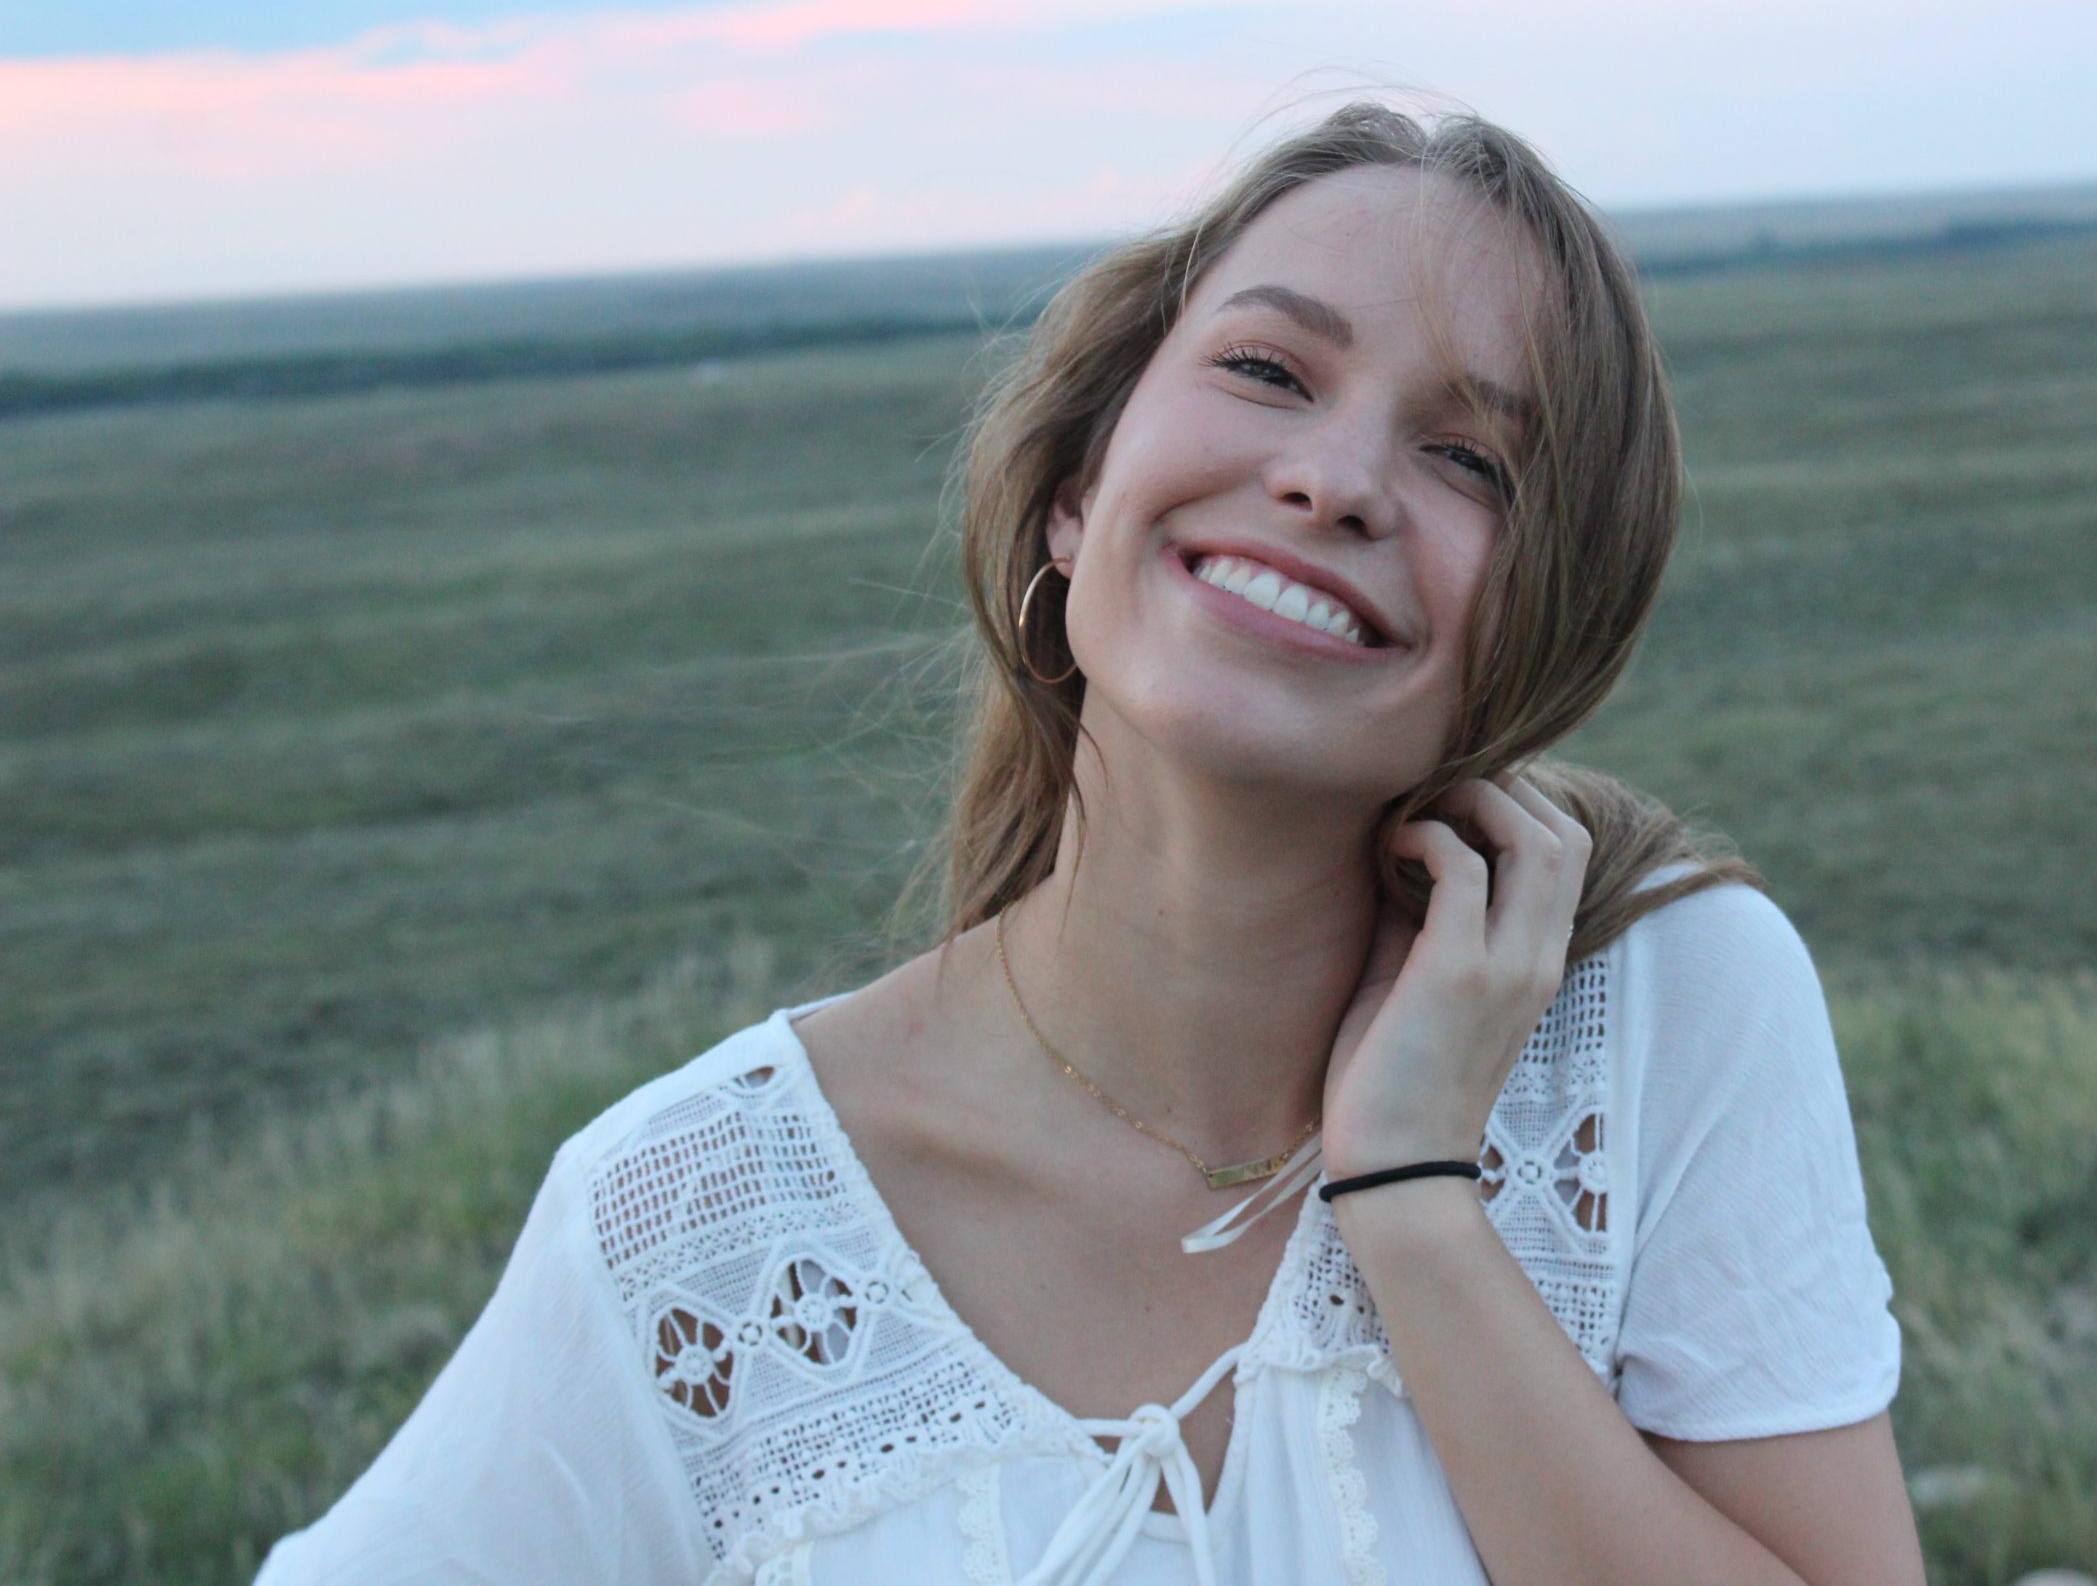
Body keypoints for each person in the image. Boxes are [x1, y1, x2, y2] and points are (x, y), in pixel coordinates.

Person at [254, 98, 1924, 1585]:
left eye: (1472, 456)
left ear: (1545, 623)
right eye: (1269, 371)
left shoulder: (1657, 1010)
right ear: (1077, 489)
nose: (1336, 480)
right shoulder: (699, 1219)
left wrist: (1415, 1202)